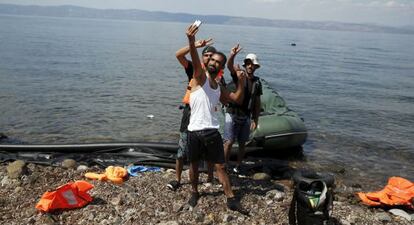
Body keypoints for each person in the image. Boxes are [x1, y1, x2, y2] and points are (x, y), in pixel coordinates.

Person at [185, 23, 247, 213]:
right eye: (211, 59)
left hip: (212, 131)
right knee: (194, 166)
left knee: (221, 166)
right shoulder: (199, 76)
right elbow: (195, 59)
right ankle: (194, 192)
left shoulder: (218, 87)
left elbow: (236, 99)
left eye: (217, 62)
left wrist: (242, 83)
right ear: (207, 62)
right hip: (194, 131)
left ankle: (231, 198)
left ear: (220, 67)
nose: (213, 62)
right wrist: (191, 39)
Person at [167, 40, 217, 191]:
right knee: (182, 148)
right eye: (206, 55)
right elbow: (179, 55)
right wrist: (194, 46)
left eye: (211, 56)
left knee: (208, 149)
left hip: (206, 116)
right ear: (202, 58)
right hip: (190, 113)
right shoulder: (193, 70)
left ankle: (209, 177)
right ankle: (177, 179)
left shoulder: (217, 76)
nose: (208, 58)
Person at [223, 44, 263, 173]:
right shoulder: (239, 75)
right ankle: (224, 166)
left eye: (253, 64)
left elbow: (257, 102)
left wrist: (255, 119)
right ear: (245, 64)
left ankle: (238, 166)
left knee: (242, 143)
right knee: (229, 142)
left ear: (256, 67)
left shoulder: (257, 82)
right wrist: (232, 55)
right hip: (232, 113)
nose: (251, 66)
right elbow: (229, 66)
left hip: (245, 115)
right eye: (248, 63)